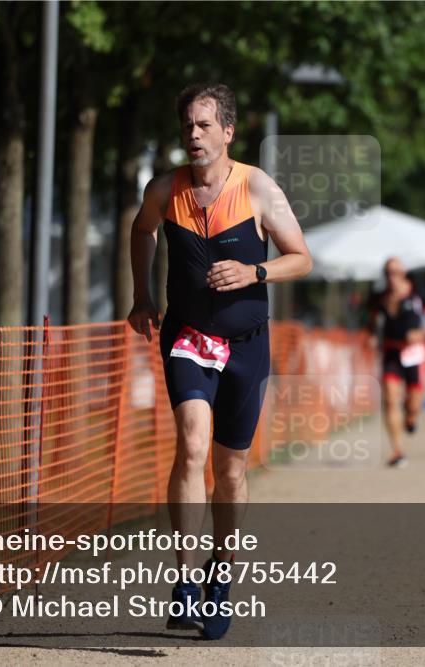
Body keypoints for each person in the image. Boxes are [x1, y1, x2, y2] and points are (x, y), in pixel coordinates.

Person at [127, 82, 312, 639]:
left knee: (230, 471)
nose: (194, 135)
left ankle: (221, 578)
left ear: (228, 132)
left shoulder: (258, 188)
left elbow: (301, 258)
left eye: (204, 125)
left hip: (247, 345)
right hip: (187, 337)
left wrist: (256, 272)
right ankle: (185, 580)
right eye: (187, 125)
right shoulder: (165, 190)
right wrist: (142, 295)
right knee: (191, 444)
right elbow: (142, 231)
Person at [366, 258, 425, 468]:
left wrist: (422, 333)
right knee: (390, 400)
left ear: (404, 273)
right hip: (392, 352)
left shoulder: (417, 295)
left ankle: (411, 417)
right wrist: (373, 336)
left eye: (396, 272)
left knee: (413, 405)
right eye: (388, 272)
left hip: (414, 355)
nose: (392, 277)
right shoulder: (379, 299)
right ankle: (397, 450)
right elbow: (372, 323)